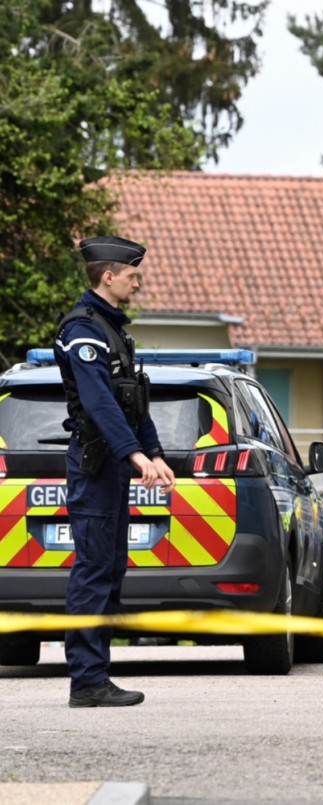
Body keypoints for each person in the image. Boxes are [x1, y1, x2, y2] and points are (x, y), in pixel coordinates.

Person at [55, 236, 175, 708]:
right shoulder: (82, 330)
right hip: (95, 464)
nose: (138, 282)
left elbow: (131, 401)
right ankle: (86, 682)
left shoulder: (111, 330)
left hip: (113, 466)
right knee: (93, 571)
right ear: (109, 276)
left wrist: (155, 451)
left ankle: (96, 676)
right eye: (132, 276)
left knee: (111, 569)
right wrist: (135, 456)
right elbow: (99, 403)